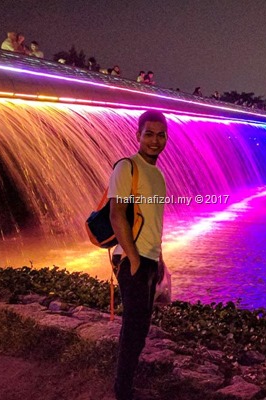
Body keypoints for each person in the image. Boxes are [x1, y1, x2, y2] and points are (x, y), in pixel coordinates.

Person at [109, 110, 168, 400]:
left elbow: (154, 220)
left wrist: (160, 260)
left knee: (141, 326)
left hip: (150, 260)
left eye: (160, 135)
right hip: (132, 260)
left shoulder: (157, 174)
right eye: (149, 134)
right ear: (138, 135)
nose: (154, 141)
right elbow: (116, 215)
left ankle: (126, 384)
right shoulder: (127, 167)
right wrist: (133, 259)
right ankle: (122, 391)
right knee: (133, 327)